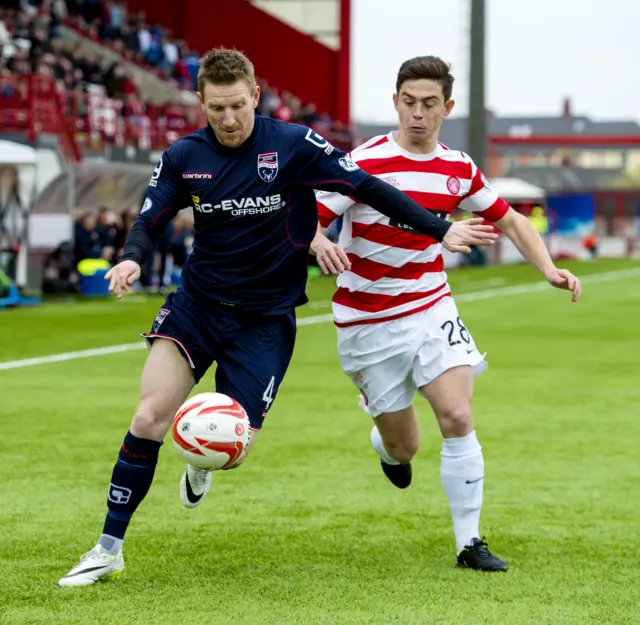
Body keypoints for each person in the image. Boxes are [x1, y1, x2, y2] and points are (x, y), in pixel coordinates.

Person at [58, 48, 497, 586]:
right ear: (200, 101)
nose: (228, 119)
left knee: (232, 448)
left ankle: (202, 456)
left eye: (238, 106)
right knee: (149, 416)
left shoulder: (293, 145)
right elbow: (150, 219)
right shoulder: (182, 156)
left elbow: (367, 187)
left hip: (265, 320)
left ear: (255, 97)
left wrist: (438, 228)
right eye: (216, 108)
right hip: (197, 306)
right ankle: (108, 548)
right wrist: (129, 257)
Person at [312, 55, 582, 572]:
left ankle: (469, 542)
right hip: (366, 320)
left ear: (447, 108)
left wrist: (547, 267)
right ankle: (386, 446)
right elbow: (308, 220)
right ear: (395, 102)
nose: (417, 113)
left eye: (429, 104)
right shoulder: (362, 163)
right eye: (408, 102)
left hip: (431, 304)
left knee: (457, 414)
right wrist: (320, 242)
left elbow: (510, 220)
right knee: (405, 445)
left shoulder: (458, 168)